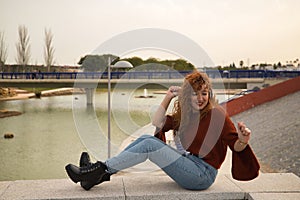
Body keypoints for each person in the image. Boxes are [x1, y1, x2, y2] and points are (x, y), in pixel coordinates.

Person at [65, 70, 259, 191]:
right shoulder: (187, 116)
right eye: (195, 94)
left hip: (203, 175)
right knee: (144, 139)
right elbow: (156, 121)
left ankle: (97, 170)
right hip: (189, 164)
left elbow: (236, 145)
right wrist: (168, 97)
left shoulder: (217, 115)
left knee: (149, 144)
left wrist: (243, 139)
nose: (200, 98)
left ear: (209, 94)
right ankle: (95, 177)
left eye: (204, 93)